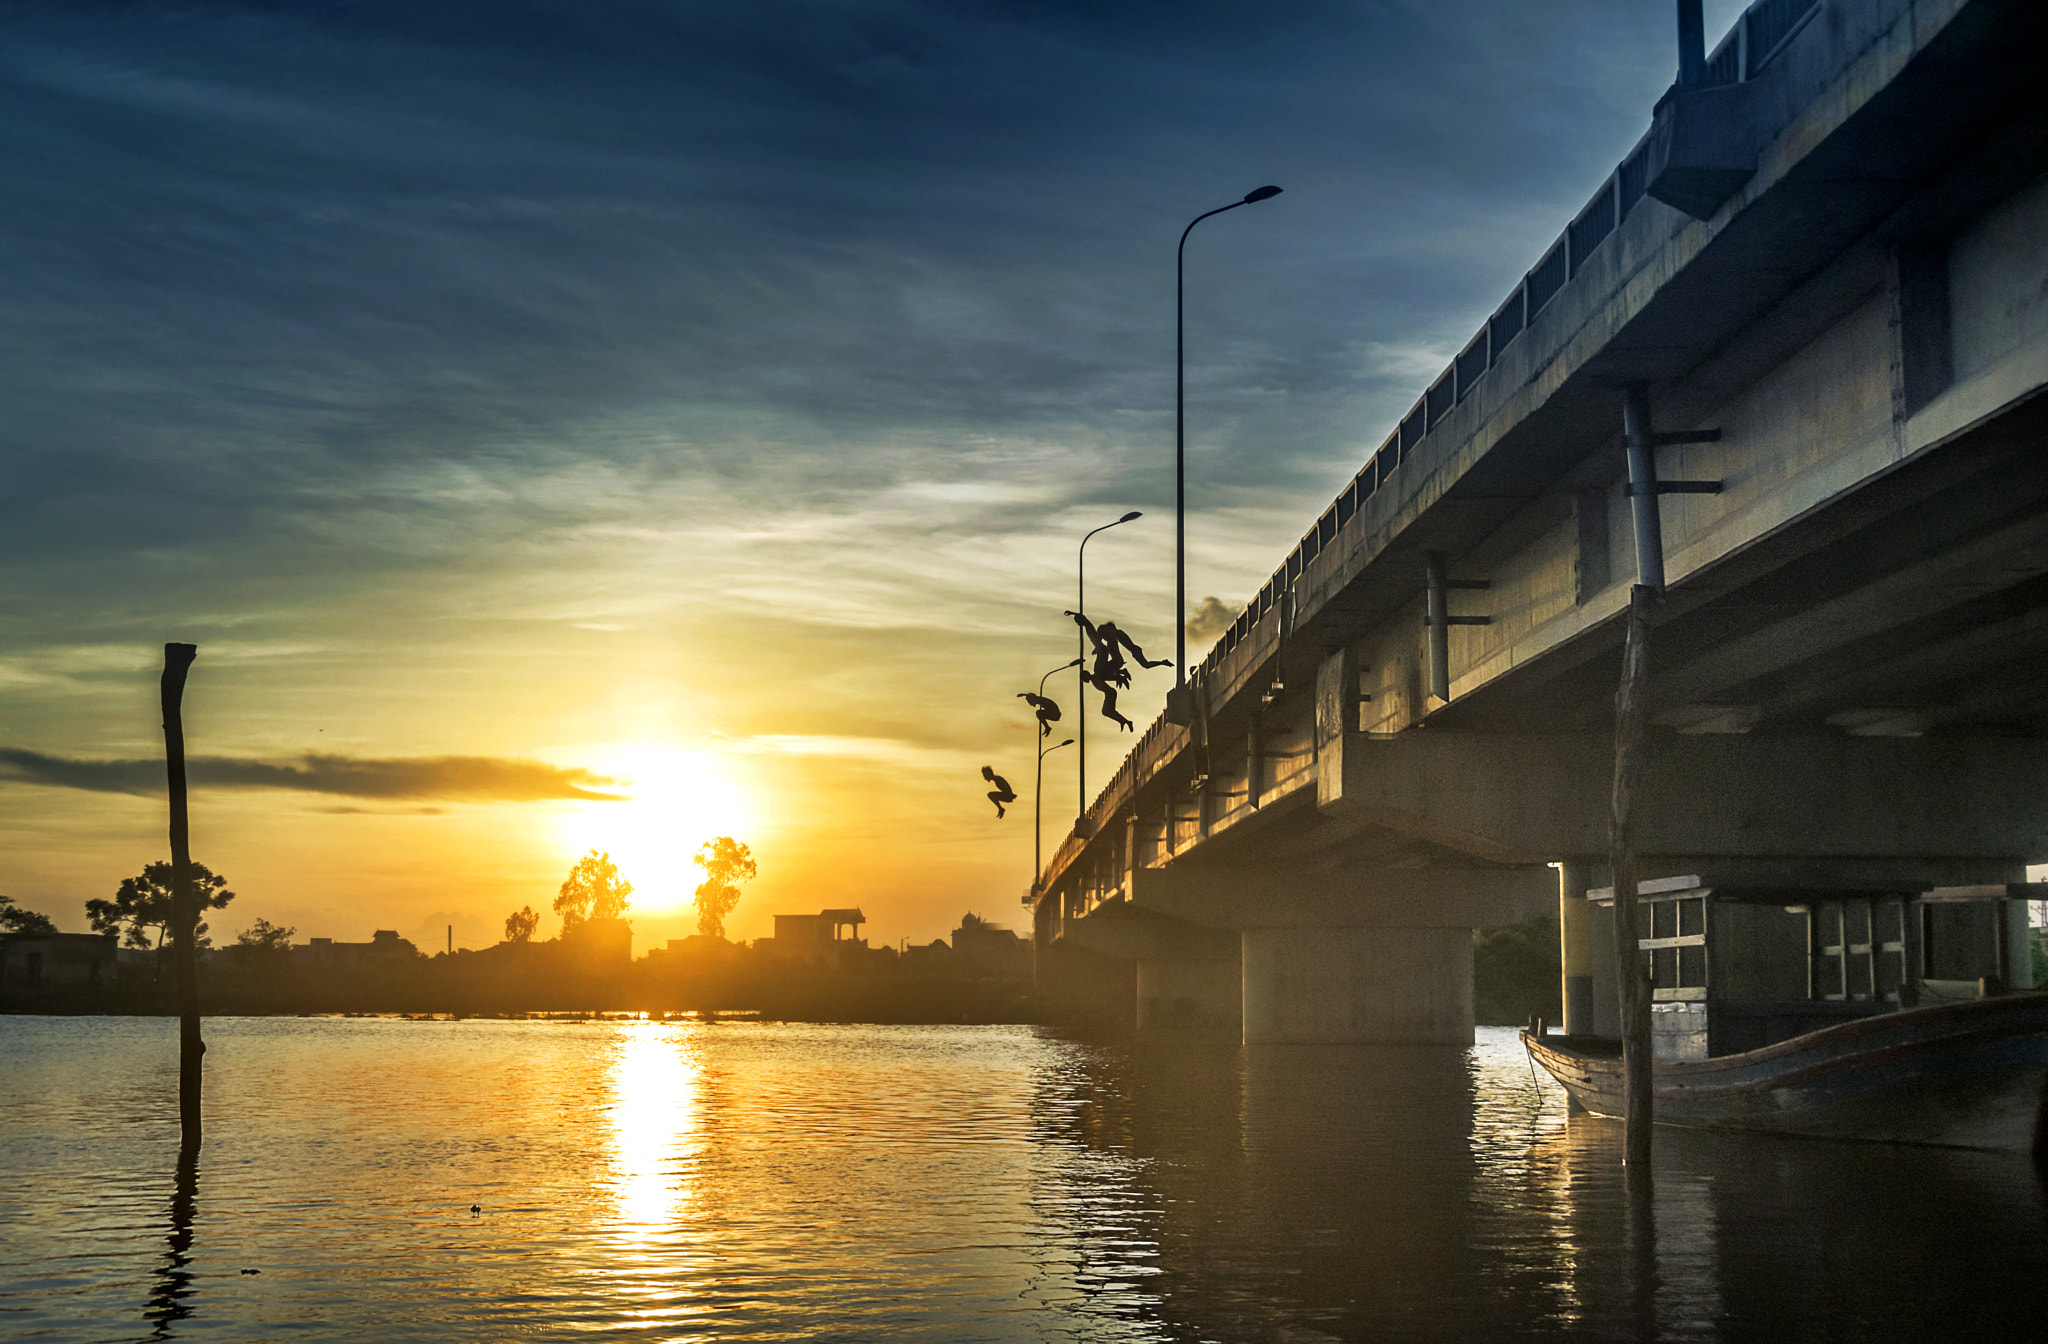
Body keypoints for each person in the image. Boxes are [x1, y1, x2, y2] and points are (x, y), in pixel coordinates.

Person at [1066, 611, 1172, 731]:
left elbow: (1095, 634)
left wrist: (1084, 621)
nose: (1103, 638)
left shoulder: (1113, 635)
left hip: (1120, 658)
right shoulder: (1111, 640)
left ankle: (1124, 673)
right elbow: (1096, 637)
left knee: (1106, 661)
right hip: (1118, 660)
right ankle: (1159, 663)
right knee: (1144, 665)